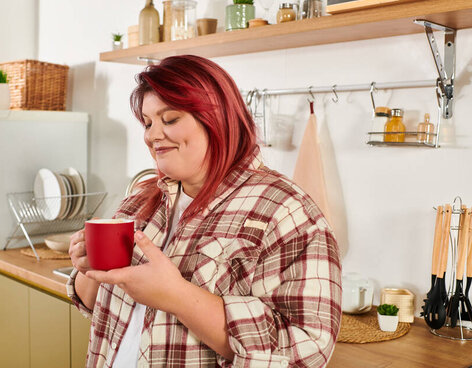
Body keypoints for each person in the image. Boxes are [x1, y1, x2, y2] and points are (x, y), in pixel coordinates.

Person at [67, 55, 342, 367]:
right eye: (147, 123)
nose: (151, 135)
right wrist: (90, 270)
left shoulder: (287, 212)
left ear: (217, 118)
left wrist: (178, 297)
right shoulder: (141, 202)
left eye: (169, 119)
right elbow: (93, 304)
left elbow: (307, 351)